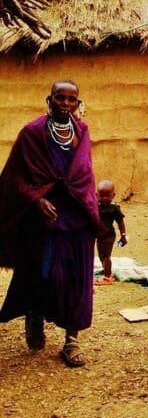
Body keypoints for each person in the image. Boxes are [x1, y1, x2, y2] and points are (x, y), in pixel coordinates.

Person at [0, 80, 102, 368]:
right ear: (50, 100)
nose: (66, 104)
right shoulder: (32, 132)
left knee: (78, 277)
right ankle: (34, 314)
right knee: (41, 273)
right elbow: (14, 176)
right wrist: (36, 200)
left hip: (77, 215)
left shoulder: (81, 131)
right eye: (60, 98)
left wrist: (86, 203)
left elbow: (84, 173)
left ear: (77, 102)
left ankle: (72, 340)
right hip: (43, 218)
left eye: (72, 99)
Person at [94, 180, 127, 286]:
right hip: (99, 236)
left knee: (106, 256)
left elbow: (120, 222)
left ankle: (107, 277)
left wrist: (123, 235)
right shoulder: (95, 206)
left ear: (113, 195)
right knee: (101, 255)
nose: (104, 198)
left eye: (107, 196)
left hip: (109, 235)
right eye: (101, 196)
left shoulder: (114, 208)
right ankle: (106, 272)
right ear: (96, 195)